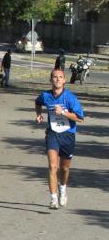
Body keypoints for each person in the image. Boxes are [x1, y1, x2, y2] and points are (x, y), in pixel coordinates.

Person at [34, 68, 84, 210]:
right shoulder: (45, 96)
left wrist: (63, 112)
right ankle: (53, 199)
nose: (57, 79)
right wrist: (38, 114)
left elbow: (80, 118)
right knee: (52, 166)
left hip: (68, 135)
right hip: (53, 134)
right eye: (55, 77)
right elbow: (37, 102)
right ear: (51, 80)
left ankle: (63, 189)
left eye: (60, 77)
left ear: (64, 80)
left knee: (64, 167)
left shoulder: (70, 98)